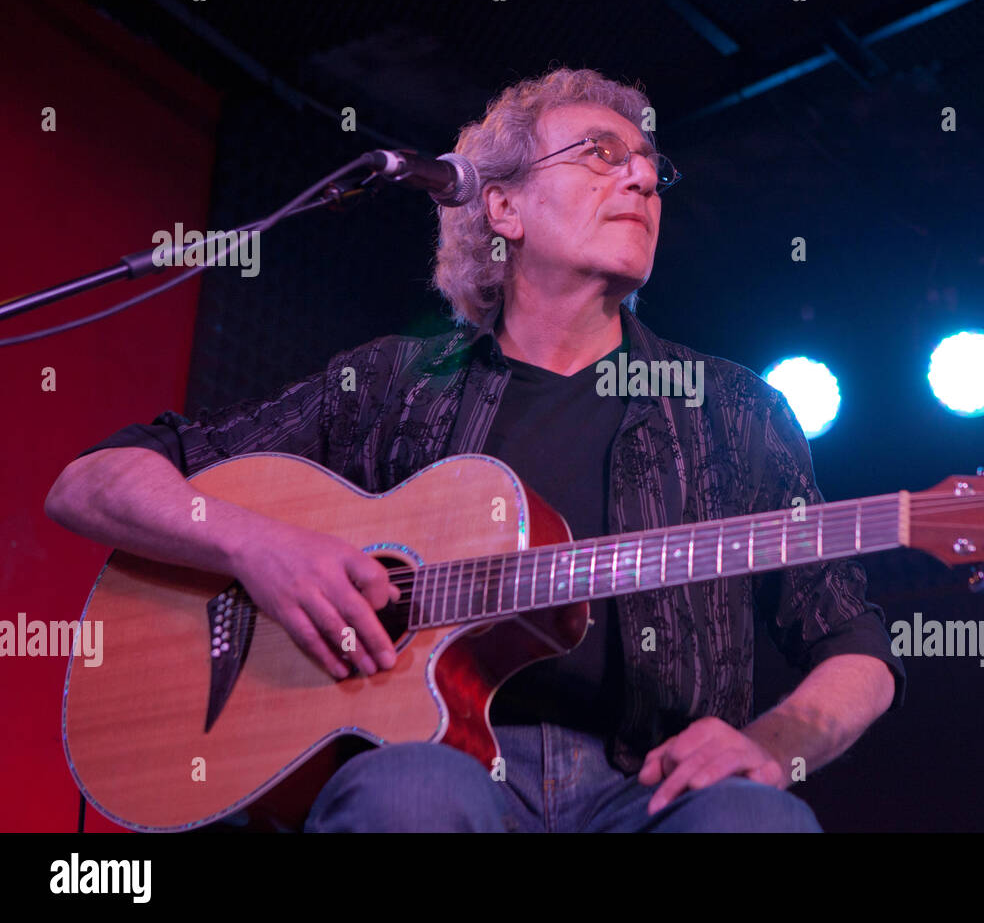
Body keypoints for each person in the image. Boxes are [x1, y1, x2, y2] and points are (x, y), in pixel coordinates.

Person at [45, 67, 905, 832]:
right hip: (437, 766)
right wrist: (260, 546)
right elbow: (92, 480)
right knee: (414, 796)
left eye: (650, 165)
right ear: (501, 206)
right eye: (601, 154)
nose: (643, 176)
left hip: (652, 788)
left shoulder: (734, 408)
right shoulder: (391, 383)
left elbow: (854, 644)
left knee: (755, 819)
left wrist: (770, 746)